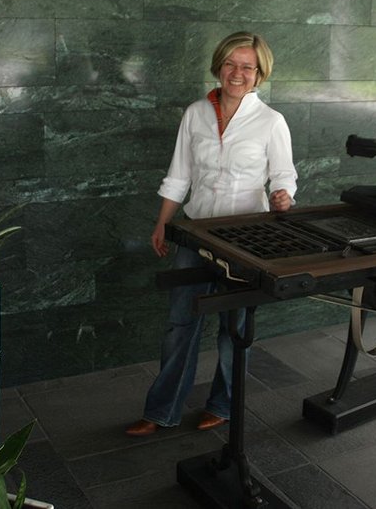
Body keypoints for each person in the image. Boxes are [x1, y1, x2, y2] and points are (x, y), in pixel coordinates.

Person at [125, 31, 298, 436]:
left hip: (245, 241)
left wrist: (283, 195)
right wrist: (163, 223)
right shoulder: (195, 114)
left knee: (233, 329)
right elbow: (180, 174)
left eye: (247, 67)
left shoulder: (271, 122)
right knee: (179, 324)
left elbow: (283, 174)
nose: (237, 73)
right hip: (196, 234)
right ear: (219, 66)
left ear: (259, 75)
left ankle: (222, 405)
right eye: (230, 64)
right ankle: (161, 411)